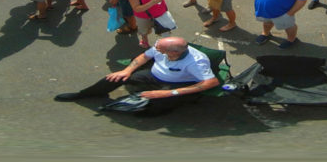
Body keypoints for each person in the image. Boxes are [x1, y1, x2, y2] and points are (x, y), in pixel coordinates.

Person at [54, 36, 219, 110]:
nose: (156, 50)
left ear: (174, 52)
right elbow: (144, 56)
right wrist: (127, 70)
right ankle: (84, 94)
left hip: (176, 84)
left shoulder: (196, 62)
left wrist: (169, 93)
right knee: (113, 78)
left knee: (153, 107)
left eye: (160, 49)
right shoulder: (161, 48)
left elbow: (211, 82)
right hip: (153, 75)